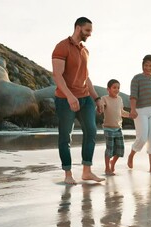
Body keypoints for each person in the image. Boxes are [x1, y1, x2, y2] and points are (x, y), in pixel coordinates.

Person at [52, 17, 105, 184]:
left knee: (91, 131)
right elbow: (57, 75)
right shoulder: (62, 47)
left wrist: (96, 98)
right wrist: (69, 95)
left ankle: (87, 171)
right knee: (65, 137)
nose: (89, 34)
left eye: (90, 31)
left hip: (85, 98)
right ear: (78, 28)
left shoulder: (85, 51)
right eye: (87, 30)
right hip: (65, 99)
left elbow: (86, 78)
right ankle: (68, 174)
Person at [100, 79, 130, 175]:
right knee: (109, 149)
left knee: (120, 149)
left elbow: (122, 112)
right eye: (114, 87)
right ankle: (107, 168)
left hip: (118, 128)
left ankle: (112, 163)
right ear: (108, 89)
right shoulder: (104, 98)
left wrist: (130, 115)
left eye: (118, 88)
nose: (117, 89)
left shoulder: (120, 99)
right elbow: (101, 108)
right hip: (108, 128)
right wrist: (100, 107)